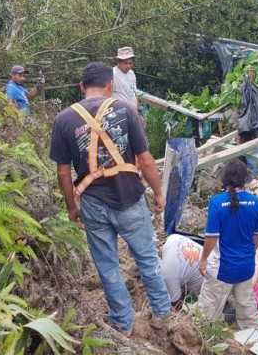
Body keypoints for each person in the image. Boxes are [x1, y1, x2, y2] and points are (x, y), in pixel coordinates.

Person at [49, 62, 170, 337]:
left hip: (92, 202)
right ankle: (162, 313)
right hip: (129, 197)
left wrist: (71, 207)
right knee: (147, 260)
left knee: (107, 265)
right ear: (110, 85)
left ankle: (122, 322)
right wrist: (159, 193)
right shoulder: (125, 109)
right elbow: (146, 161)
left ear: (81, 87)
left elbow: (63, 172)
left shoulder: (64, 119)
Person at [198, 159, 258, 331]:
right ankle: (256, 341)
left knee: (206, 316)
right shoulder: (255, 202)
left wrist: (204, 259)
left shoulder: (217, 202)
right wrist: (248, 254)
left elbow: (211, 237)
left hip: (222, 270)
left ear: (224, 177)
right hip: (245, 268)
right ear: (245, 178)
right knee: (248, 314)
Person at [159, 234, 216, 310]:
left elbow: (176, 303)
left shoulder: (167, 273)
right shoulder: (173, 238)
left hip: (210, 288)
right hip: (217, 266)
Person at [113, 46, 139, 111]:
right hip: (120, 113)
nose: (128, 66)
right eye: (125, 63)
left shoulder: (131, 73)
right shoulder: (113, 74)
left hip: (133, 111)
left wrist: (138, 109)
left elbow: (135, 92)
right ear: (118, 61)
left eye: (130, 63)